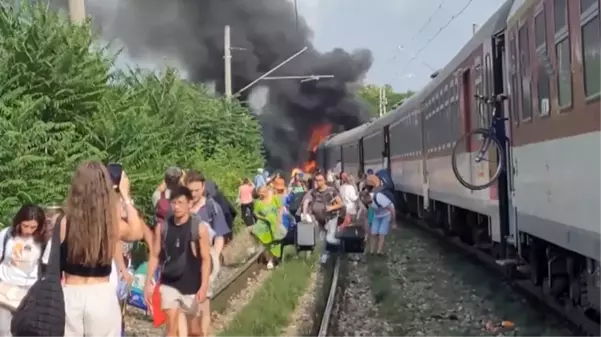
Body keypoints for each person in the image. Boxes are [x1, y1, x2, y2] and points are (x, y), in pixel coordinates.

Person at [56, 161, 144, 337]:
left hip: (70, 293)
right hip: (101, 295)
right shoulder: (110, 223)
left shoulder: (66, 221)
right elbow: (137, 231)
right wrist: (125, 196)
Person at [144, 185, 211, 337]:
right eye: (174, 203)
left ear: (190, 204)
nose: (177, 207)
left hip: (192, 284)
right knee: (172, 328)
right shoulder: (162, 228)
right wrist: (148, 281)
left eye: (181, 203)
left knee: (195, 331)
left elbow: (206, 259)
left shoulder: (199, 228)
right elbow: (154, 255)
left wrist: (204, 285)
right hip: (169, 282)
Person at [0, 205, 51, 337]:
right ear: (19, 222)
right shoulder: (6, 235)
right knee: (3, 329)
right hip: (6, 288)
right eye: (25, 226)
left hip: (30, 291)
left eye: (33, 227)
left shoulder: (44, 241)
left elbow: (47, 267)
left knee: (27, 330)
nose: (28, 230)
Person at [301, 171, 344, 264]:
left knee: (329, 238)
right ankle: (324, 256)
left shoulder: (331, 191)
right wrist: (305, 213)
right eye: (316, 180)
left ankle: (342, 245)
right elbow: (307, 200)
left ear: (324, 180)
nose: (318, 182)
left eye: (320, 180)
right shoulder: (314, 192)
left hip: (331, 217)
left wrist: (331, 207)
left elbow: (341, 203)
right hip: (319, 218)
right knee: (321, 239)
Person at [252, 186, 286, 269]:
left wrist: (279, 217)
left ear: (266, 192)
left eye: (262, 193)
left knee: (275, 243)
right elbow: (256, 213)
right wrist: (263, 218)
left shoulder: (274, 198)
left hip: (275, 224)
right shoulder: (258, 202)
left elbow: (280, 207)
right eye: (259, 193)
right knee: (268, 243)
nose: (260, 195)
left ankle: (274, 259)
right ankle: (270, 259)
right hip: (264, 225)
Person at [364, 175, 396, 255]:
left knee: (382, 233)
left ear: (370, 199)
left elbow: (391, 209)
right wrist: (370, 223)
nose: (369, 204)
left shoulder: (379, 197)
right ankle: (371, 251)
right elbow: (371, 211)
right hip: (377, 215)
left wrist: (393, 222)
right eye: (368, 203)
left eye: (369, 203)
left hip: (386, 214)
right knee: (373, 233)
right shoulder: (367, 201)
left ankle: (379, 252)